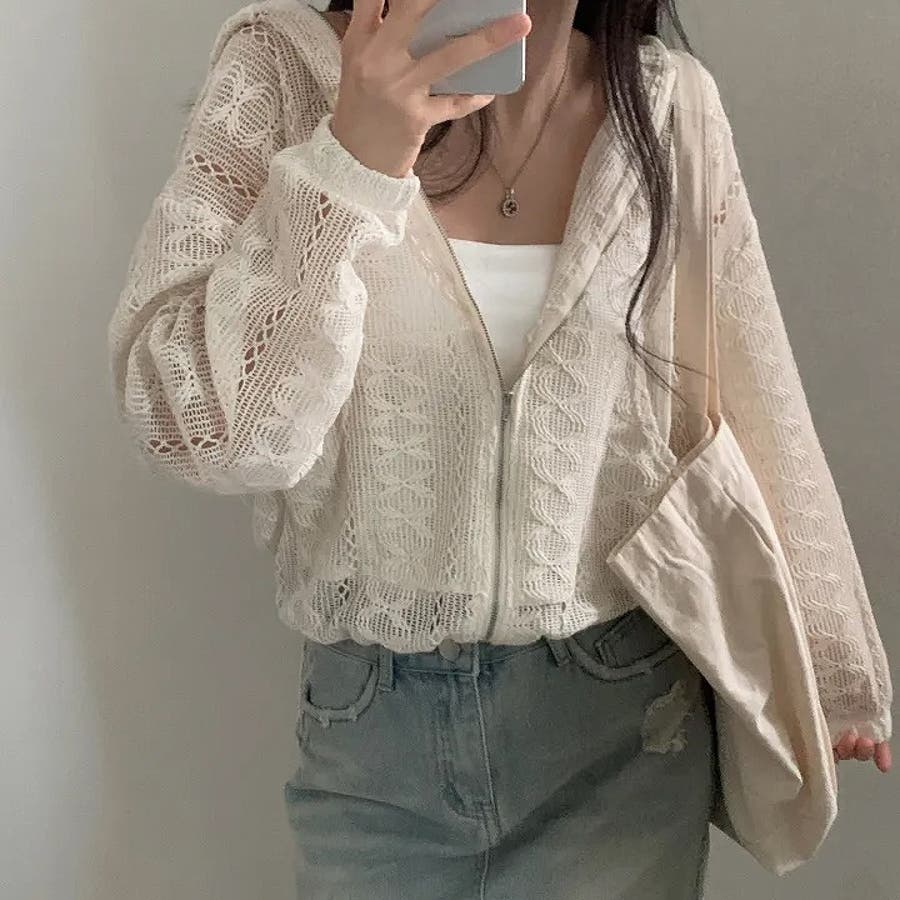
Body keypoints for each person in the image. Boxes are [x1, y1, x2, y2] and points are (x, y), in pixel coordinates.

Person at [106, 0, 893, 896]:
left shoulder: (668, 106)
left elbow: (753, 380)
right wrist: (351, 159)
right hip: (375, 742)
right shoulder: (281, 70)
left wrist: (831, 657)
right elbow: (201, 433)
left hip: (619, 723)